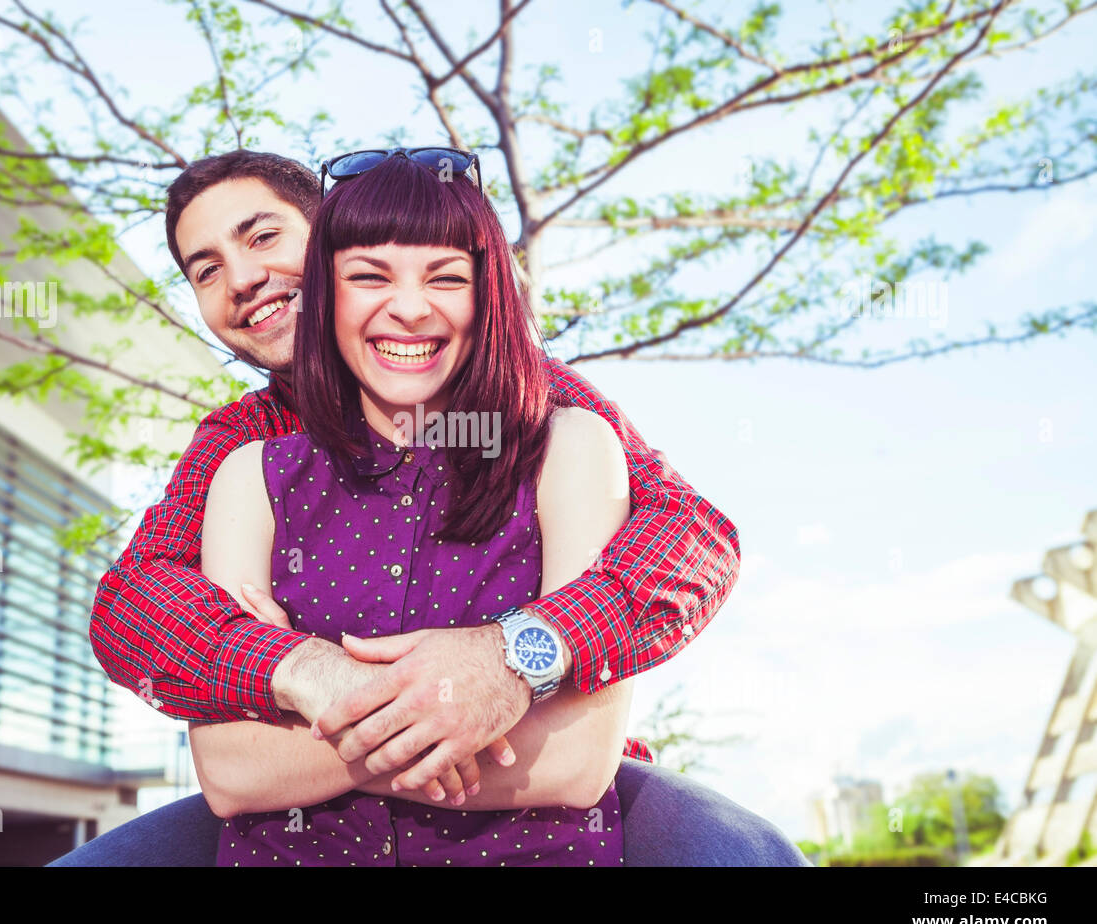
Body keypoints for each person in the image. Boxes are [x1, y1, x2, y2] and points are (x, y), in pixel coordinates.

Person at [52, 148, 808, 866]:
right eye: (206, 269)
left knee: (737, 847)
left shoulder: (531, 400)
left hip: (535, 797)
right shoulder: (242, 445)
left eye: (263, 236)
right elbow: (131, 603)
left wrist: (516, 655)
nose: (242, 277)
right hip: (305, 820)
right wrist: (299, 667)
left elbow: (691, 534)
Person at [192, 150, 637, 865]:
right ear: (326, 299)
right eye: (368, 277)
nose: (406, 307)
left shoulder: (573, 448)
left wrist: (321, 723)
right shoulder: (248, 476)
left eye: (446, 278)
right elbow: (228, 771)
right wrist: (454, 715)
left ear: (487, 296)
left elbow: (576, 760)